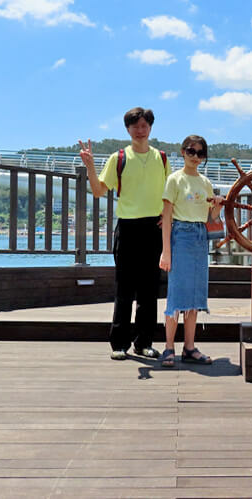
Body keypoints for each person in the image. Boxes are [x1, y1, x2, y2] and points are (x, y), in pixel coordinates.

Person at [79, 107, 171, 361]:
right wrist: (90, 167)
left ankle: (144, 343)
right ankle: (119, 344)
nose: (140, 130)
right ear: (128, 129)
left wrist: (167, 215)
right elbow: (98, 190)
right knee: (124, 289)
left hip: (154, 227)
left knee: (149, 291)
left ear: (151, 128)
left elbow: (168, 195)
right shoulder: (118, 158)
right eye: (135, 126)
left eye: (144, 126)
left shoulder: (161, 158)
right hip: (128, 228)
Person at [158, 135, 225, 367]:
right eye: (190, 151)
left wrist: (217, 207)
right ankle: (168, 348)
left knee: (196, 294)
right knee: (176, 294)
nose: (195, 156)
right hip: (180, 235)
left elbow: (210, 218)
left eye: (200, 153)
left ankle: (189, 347)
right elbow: (166, 216)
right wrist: (165, 251)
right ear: (182, 152)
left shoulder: (205, 182)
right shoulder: (174, 180)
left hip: (199, 237)